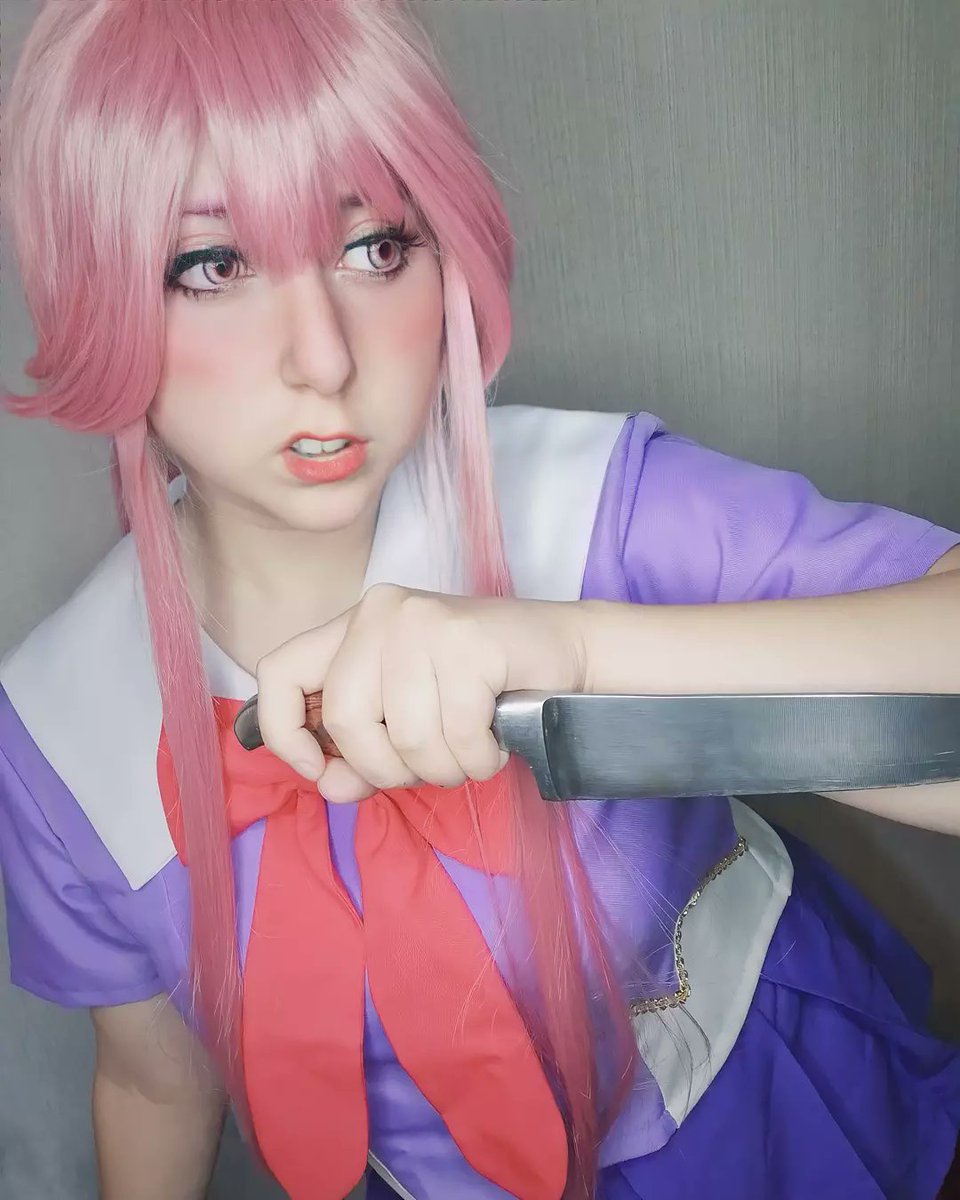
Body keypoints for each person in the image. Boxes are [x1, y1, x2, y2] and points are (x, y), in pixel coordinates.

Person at [0, 2, 958, 1199]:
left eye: (375, 247)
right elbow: (154, 1082)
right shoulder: (60, 730)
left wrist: (577, 650)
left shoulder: (590, 502)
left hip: (787, 1118)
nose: (324, 358)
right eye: (215, 266)